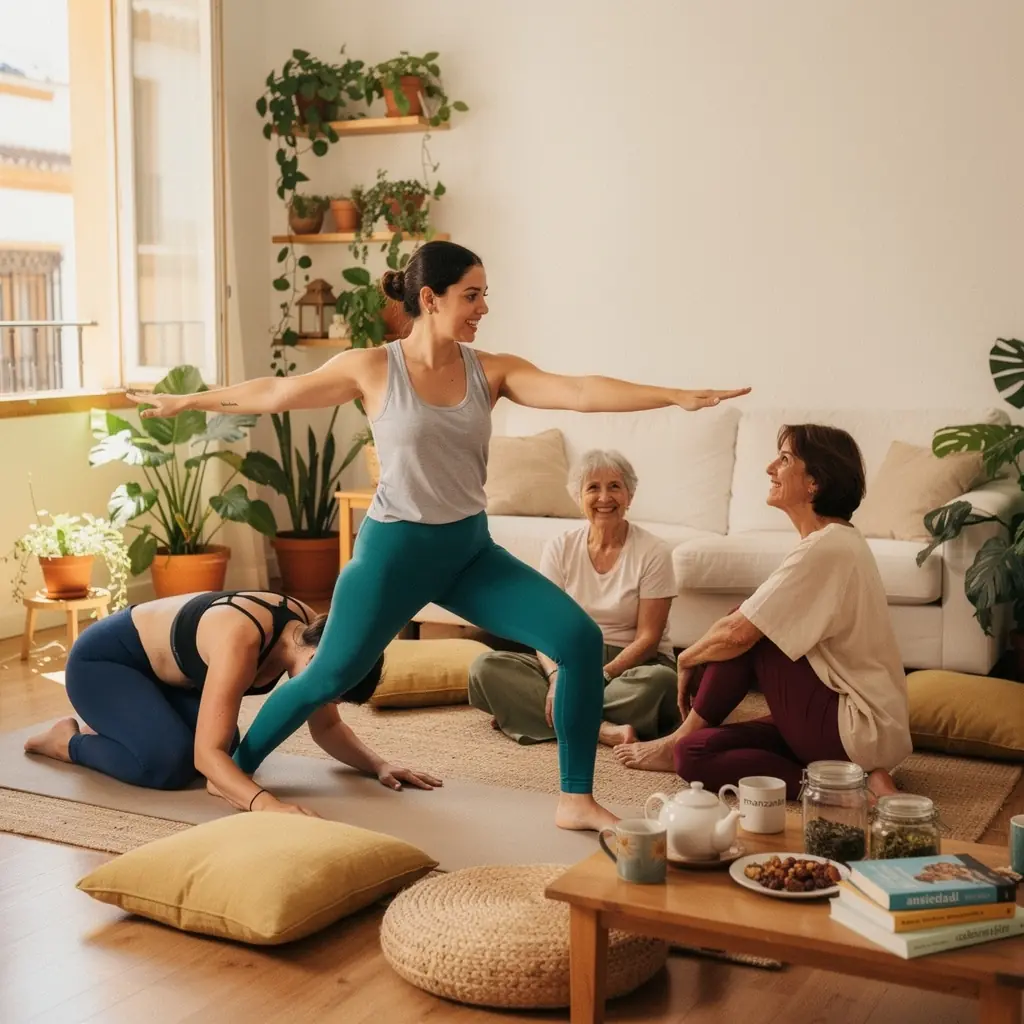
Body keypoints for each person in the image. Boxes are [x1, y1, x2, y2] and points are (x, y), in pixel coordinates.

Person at [125, 240, 750, 831]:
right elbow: (277, 392)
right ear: (430, 299)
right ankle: (233, 771)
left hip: (467, 552)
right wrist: (190, 402)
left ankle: (576, 800)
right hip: (392, 555)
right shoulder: (373, 368)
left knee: (579, 640)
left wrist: (673, 396)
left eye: (485, 294)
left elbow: (580, 391)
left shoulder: (491, 371)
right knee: (326, 678)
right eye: (472, 295)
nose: (485, 308)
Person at [613, 424, 912, 803]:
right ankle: (855, 784)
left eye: (784, 459)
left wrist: (687, 657)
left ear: (814, 483)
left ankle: (841, 787)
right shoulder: (834, 542)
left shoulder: (827, 548)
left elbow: (739, 633)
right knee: (692, 756)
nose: (770, 468)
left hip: (854, 727)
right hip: (846, 728)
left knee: (751, 627)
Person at [24, 591, 440, 816]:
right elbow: (207, 758)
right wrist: (268, 806)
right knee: (167, 764)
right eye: (330, 694)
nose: (323, 701)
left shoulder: (313, 635)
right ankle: (66, 742)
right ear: (316, 660)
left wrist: (378, 764)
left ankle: (129, 723)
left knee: (227, 743)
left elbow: (327, 728)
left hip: (170, 680)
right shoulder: (242, 639)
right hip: (105, 664)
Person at [468, 449, 680, 747]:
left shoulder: (654, 551)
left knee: (662, 686)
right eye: (593, 488)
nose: (604, 497)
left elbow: (648, 639)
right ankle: (601, 730)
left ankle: (528, 713)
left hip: (631, 665)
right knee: (485, 670)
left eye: (615, 487)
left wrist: (600, 677)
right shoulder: (560, 547)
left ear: (630, 496)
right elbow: (545, 629)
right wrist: (556, 679)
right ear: (579, 498)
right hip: (570, 660)